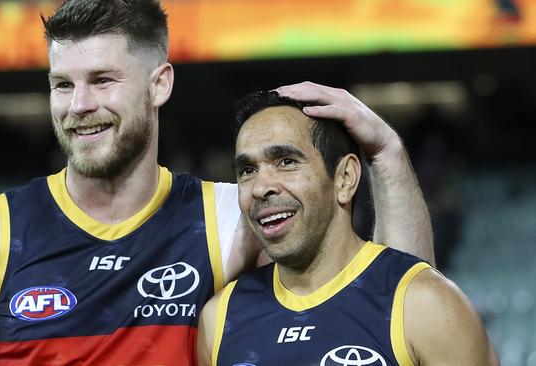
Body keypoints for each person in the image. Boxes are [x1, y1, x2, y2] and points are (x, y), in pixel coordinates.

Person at [0, 1, 434, 365]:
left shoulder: (231, 219)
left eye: (102, 81)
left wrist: (386, 156)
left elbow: (391, 311)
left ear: (159, 84)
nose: (79, 106)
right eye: (62, 85)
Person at [197, 91, 498, 366]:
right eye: (247, 170)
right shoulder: (219, 319)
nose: (261, 187)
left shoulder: (427, 305)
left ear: (345, 178)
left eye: (286, 161)